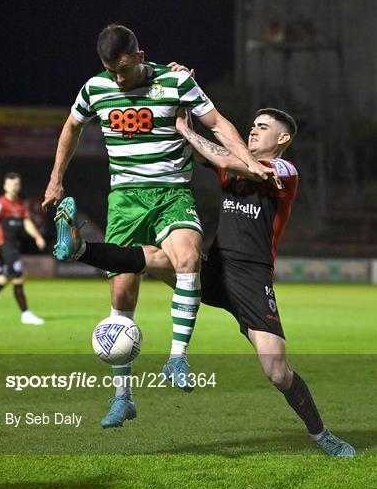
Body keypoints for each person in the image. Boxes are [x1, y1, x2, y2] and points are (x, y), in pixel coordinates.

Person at [56, 107, 355, 457]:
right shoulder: (234, 163)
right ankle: (79, 249)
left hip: (252, 281)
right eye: (252, 125)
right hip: (216, 268)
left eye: (263, 127)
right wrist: (183, 103)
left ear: (283, 139)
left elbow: (223, 157)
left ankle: (322, 435)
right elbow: (203, 152)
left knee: (277, 372)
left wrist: (187, 128)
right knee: (156, 257)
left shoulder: (285, 171)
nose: (254, 131)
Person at [42, 23, 276, 428]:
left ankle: (177, 359)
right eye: (110, 70)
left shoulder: (176, 81)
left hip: (171, 195)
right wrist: (55, 178)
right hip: (125, 201)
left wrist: (250, 161)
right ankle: (123, 398)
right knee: (122, 295)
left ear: (138, 55)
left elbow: (217, 123)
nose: (117, 78)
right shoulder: (95, 88)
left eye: (122, 69)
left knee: (188, 258)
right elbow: (71, 127)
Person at [0, 172, 46, 325]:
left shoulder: (20, 205)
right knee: (19, 276)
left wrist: (37, 236)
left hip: (13, 246)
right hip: (4, 246)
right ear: (5, 186)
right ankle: (25, 314)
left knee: (3, 278)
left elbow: (27, 223)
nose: (14, 187)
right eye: (11, 184)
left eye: (16, 184)